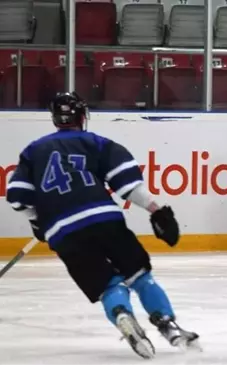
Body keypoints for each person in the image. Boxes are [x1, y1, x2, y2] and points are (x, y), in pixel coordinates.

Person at [5, 92, 199, 358]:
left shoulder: (32, 151)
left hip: (63, 234)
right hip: (104, 219)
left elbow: (17, 196)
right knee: (140, 276)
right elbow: (129, 185)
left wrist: (38, 222)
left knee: (109, 285)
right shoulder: (95, 142)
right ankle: (169, 325)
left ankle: (121, 313)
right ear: (82, 117)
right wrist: (157, 211)